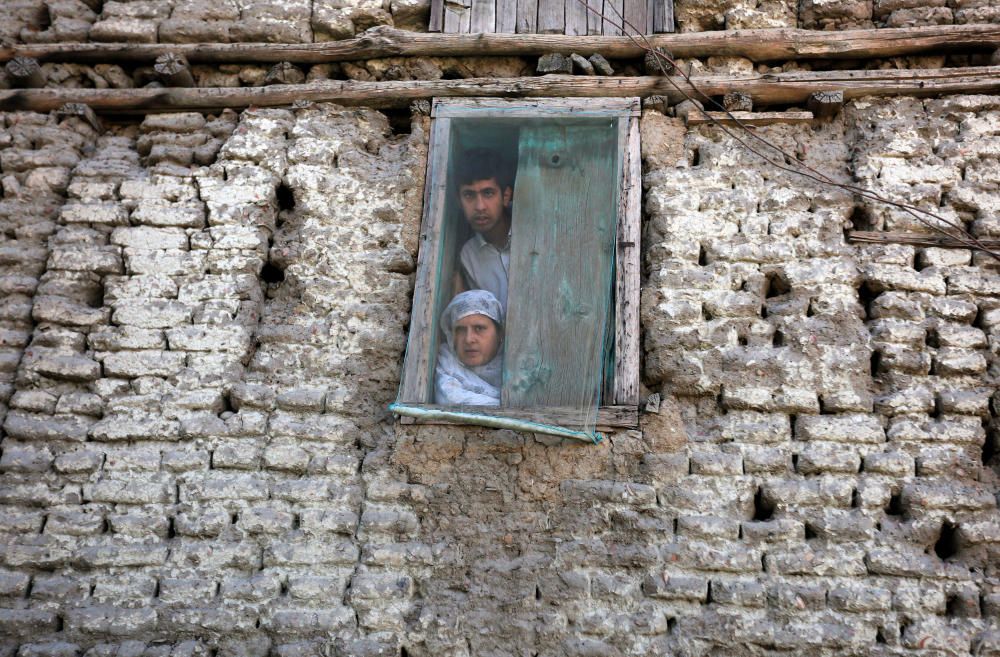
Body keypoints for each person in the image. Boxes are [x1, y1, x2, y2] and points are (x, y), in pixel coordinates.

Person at [452, 148, 513, 312]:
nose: (479, 206)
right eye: (469, 195)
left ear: (506, 196)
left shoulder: (535, 235)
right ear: (459, 201)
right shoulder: (469, 255)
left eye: (488, 193)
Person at [435, 290, 504, 406]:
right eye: (460, 330)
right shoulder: (446, 366)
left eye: (479, 328)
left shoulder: (519, 373)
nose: (469, 339)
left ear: (499, 334)